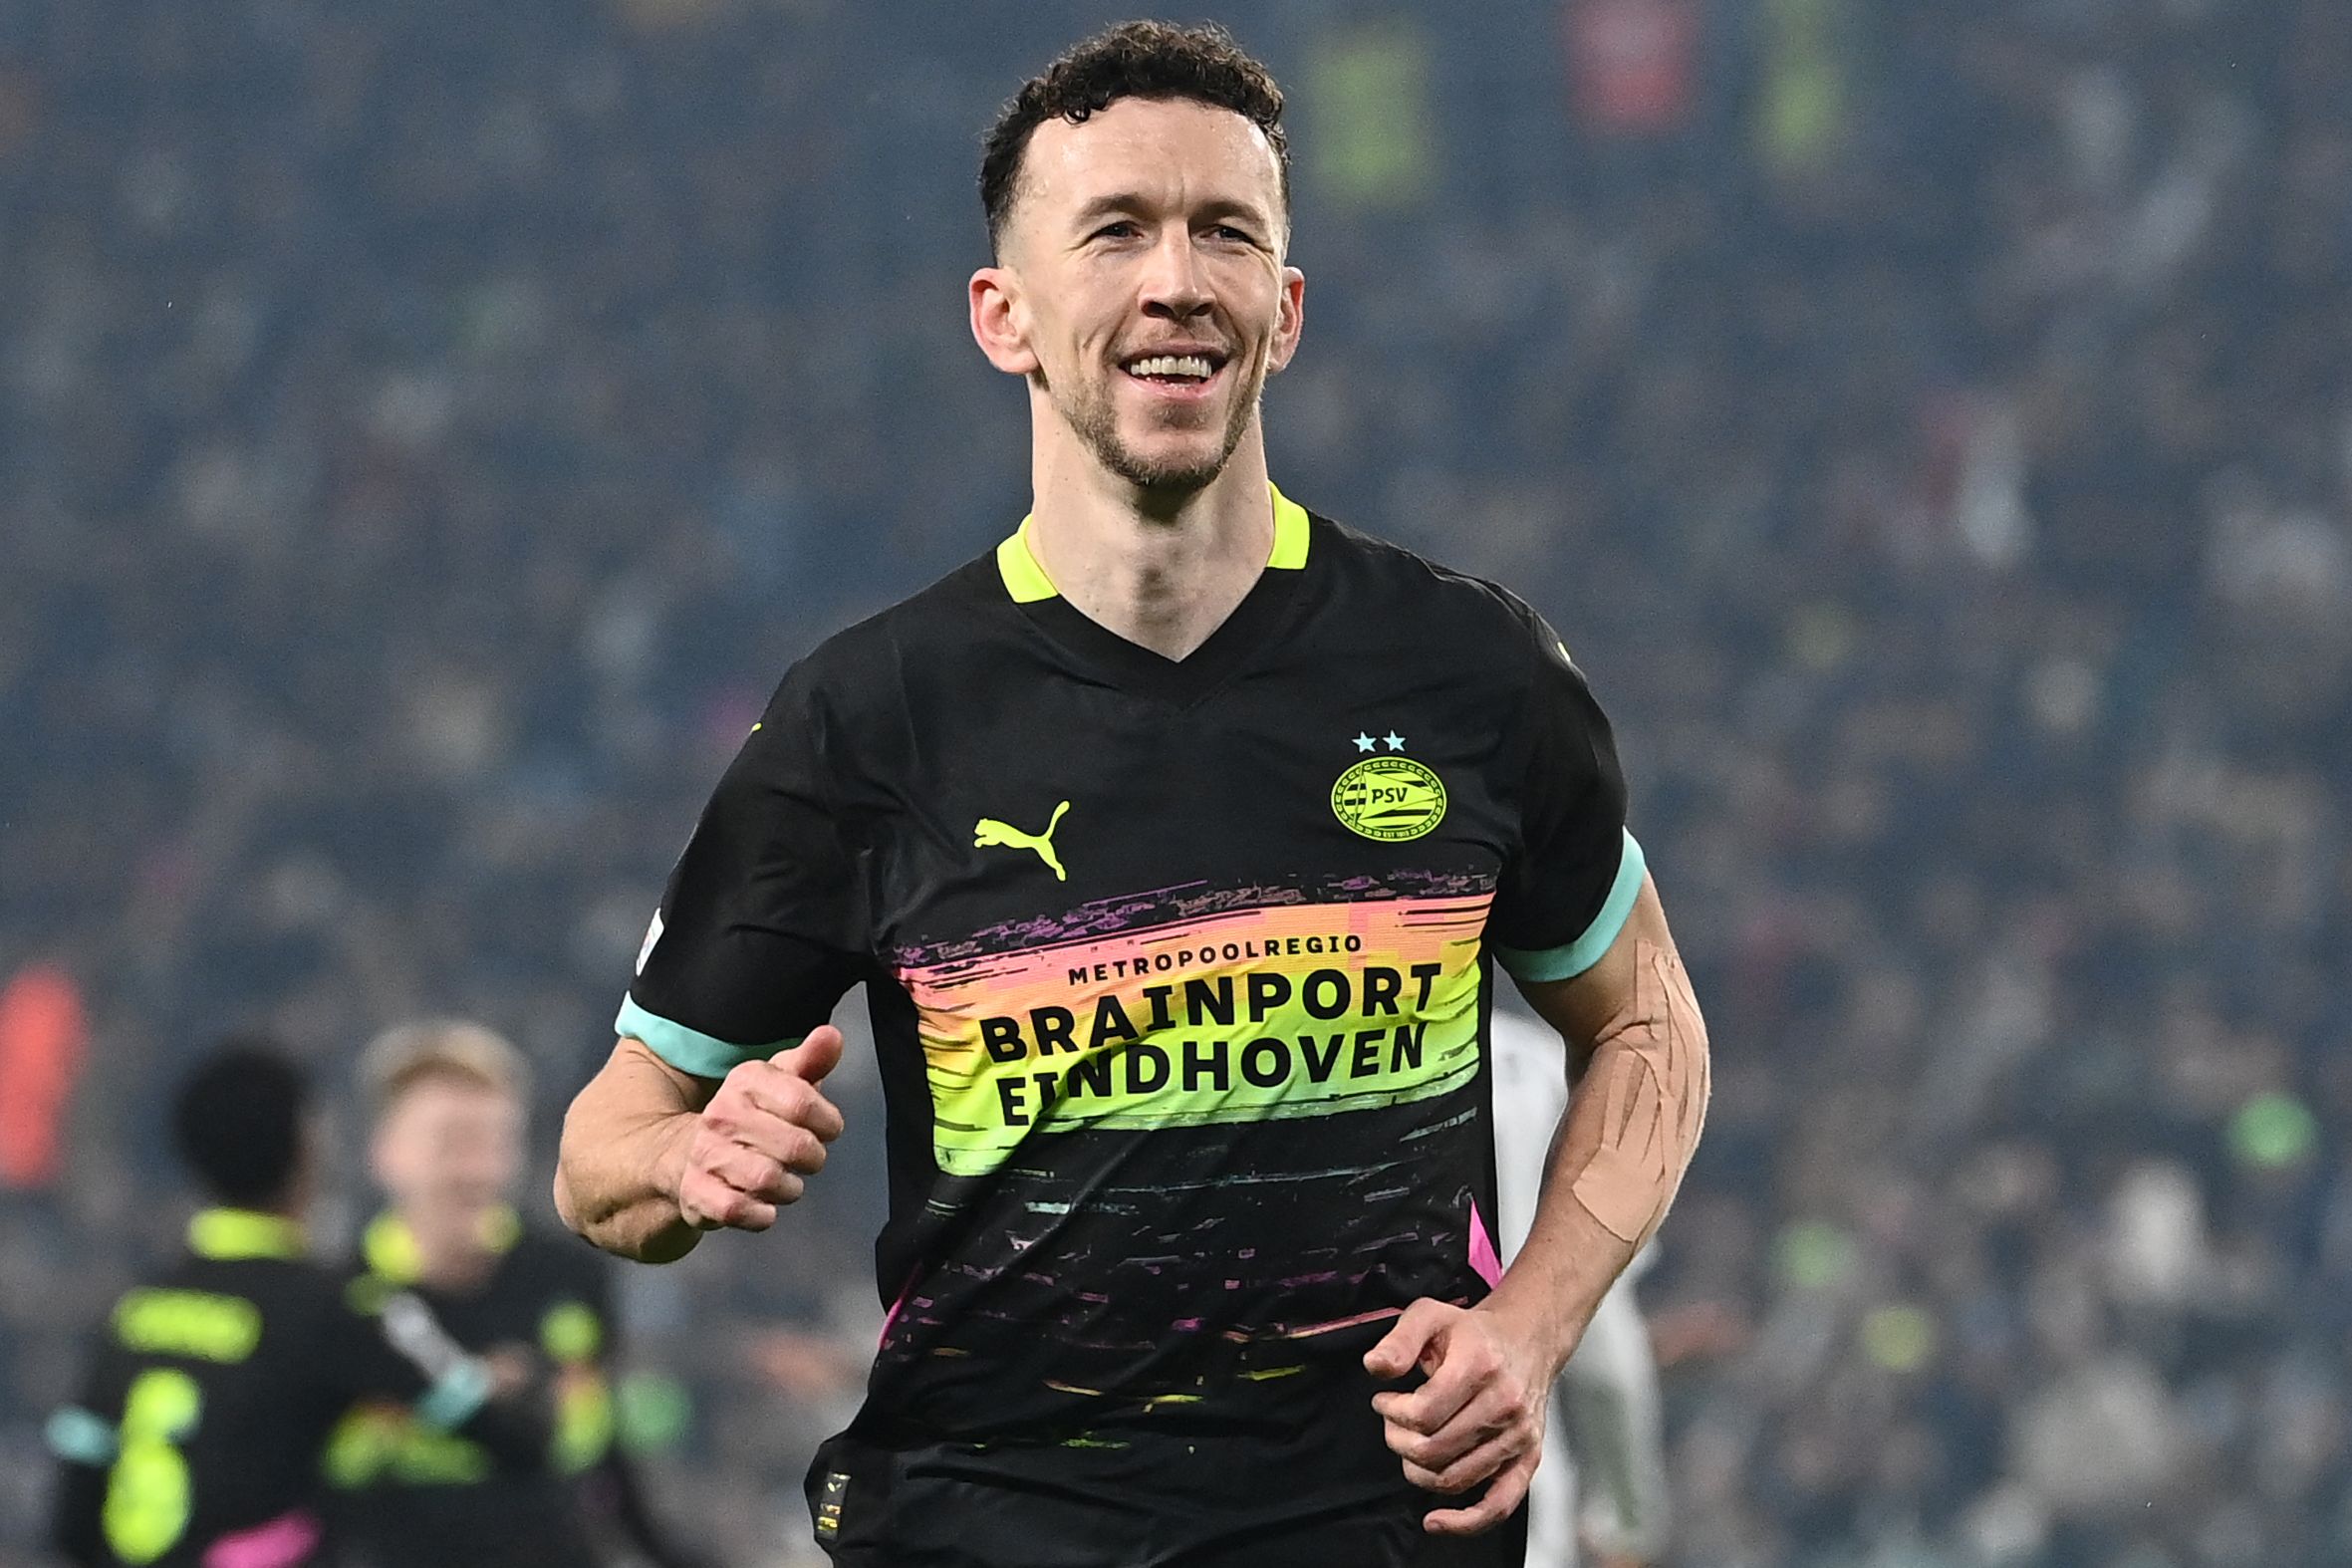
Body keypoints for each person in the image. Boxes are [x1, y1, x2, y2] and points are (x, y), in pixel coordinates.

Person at [555, 20, 1710, 1567]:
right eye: (1116, 231)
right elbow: (599, 1151)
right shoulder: (868, 718)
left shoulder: (1467, 671)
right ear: (1004, 315)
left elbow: (1647, 1020)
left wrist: (1537, 1317)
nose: (1178, 279)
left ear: (1285, 311)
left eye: (1225, 231)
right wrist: (685, 1163)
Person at [45, 1039, 544, 1568]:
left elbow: (73, 1520)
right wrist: (504, 1381)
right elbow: (502, 1433)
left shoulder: (136, 1312)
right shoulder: (339, 1307)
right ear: (307, 1147)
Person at [328, 1020, 704, 1568]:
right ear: (387, 1153)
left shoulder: (569, 1278)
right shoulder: (341, 1299)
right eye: (451, 1142)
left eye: (494, 1143)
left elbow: (604, 1458)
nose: (474, 1170)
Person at [1489, 1002, 1672, 1567]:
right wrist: (1627, 1522)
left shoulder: (1362, 1067)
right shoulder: (1552, 1066)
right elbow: (1609, 1363)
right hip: (1515, 1463)